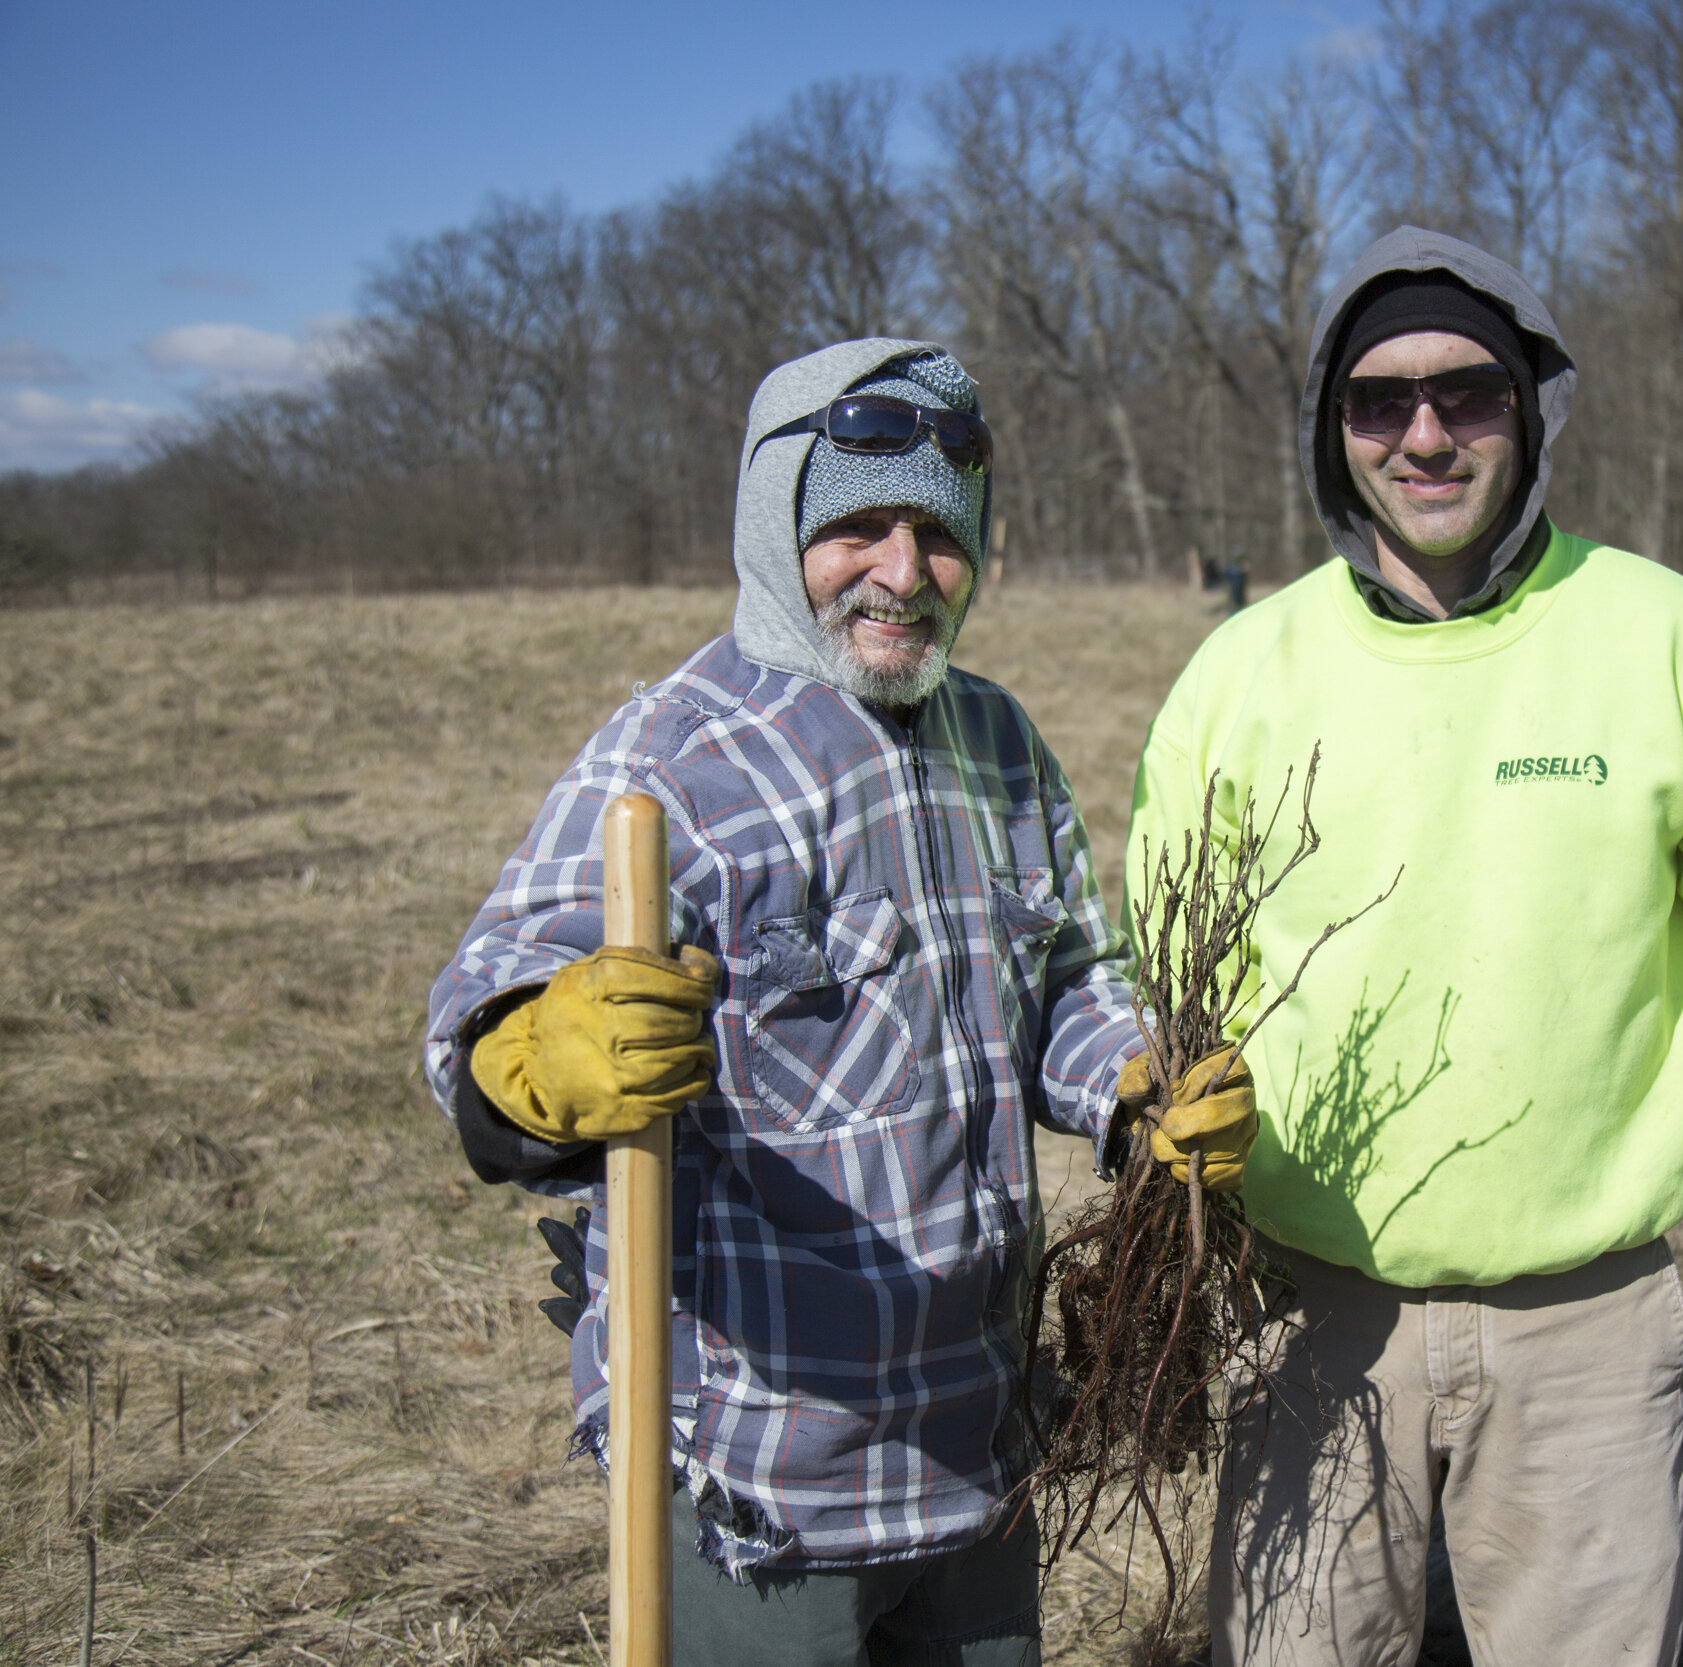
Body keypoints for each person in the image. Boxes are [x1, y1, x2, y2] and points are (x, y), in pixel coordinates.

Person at [1126, 227, 1683, 1666]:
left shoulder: (1663, 639)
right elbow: (1156, 980)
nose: (1427, 432)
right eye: (1380, 400)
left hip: (1590, 1325)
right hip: (1309, 1320)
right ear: (1335, 431)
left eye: (1471, 390)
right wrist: (1153, 1114)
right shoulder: (1242, 675)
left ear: (1533, 408)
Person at [423, 339, 1256, 1666]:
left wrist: (1136, 1085)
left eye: (938, 531)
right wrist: (529, 1060)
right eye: (859, 525)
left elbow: (1064, 984)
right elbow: (488, 1012)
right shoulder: (674, 760)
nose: (903, 570)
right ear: (777, 528)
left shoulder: (999, 743)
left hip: (982, 1444)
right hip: (765, 1477)